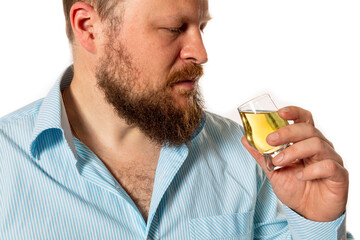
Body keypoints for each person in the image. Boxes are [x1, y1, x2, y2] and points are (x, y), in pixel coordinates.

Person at [0, 0, 351, 239]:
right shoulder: (6, 163)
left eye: (200, 27)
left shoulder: (246, 158)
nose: (200, 53)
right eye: (173, 28)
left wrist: (317, 224)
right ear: (89, 27)